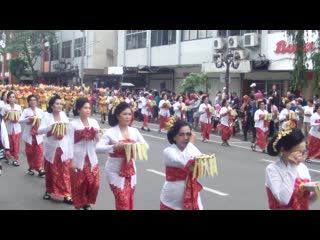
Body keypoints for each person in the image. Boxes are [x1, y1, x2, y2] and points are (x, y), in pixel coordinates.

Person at [96, 102, 149, 210]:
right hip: (114, 171)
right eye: (125, 114)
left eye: (130, 114)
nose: (128, 117)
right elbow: (98, 148)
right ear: (117, 116)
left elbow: (146, 146)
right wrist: (114, 147)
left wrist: (134, 146)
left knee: (129, 199)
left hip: (131, 171)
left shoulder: (134, 131)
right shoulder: (110, 132)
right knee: (122, 200)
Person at [265, 128, 317, 210]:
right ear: (284, 151)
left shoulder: (303, 168)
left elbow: (305, 201)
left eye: (303, 152)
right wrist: (292, 166)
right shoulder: (272, 169)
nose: (302, 156)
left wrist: (316, 192)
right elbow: (283, 200)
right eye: (298, 152)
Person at [160, 119, 204, 210]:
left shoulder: (192, 149)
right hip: (171, 201)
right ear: (174, 137)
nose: (186, 138)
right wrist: (191, 144)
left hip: (192, 195)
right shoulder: (168, 151)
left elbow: (203, 164)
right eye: (181, 134)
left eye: (188, 134)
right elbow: (183, 161)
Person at [38, 95, 73, 204]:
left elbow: (68, 129)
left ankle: (67, 194)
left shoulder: (63, 115)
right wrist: (52, 126)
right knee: (50, 170)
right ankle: (49, 191)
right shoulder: (46, 116)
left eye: (60, 104)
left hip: (63, 147)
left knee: (65, 171)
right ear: (51, 106)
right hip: (51, 147)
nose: (59, 106)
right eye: (57, 104)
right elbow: (40, 131)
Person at [69, 98, 100, 210]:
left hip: (91, 158)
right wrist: (71, 160)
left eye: (89, 108)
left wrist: (98, 134)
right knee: (79, 184)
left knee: (94, 184)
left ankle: (86, 201)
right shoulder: (73, 124)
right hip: (78, 158)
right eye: (85, 108)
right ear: (78, 110)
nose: (88, 110)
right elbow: (69, 143)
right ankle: (79, 204)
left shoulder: (94, 122)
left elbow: (99, 140)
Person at [18, 94, 45, 177]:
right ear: (28, 102)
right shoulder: (26, 111)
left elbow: (44, 122)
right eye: (31, 100)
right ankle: (31, 167)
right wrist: (29, 119)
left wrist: (43, 133)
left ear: (37, 101)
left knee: (39, 152)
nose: (33, 102)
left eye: (34, 100)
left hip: (38, 135)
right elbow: (20, 121)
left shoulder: (41, 111)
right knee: (30, 152)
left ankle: (40, 168)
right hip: (29, 135)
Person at [1, 91, 22, 166]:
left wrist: (17, 119)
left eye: (13, 97)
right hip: (8, 128)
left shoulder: (18, 107)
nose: (12, 99)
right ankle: (7, 155)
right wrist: (7, 117)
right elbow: (1, 118)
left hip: (17, 129)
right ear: (8, 99)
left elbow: (21, 117)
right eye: (10, 97)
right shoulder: (5, 107)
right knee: (9, 144)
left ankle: (15, 159)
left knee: (16, 144)